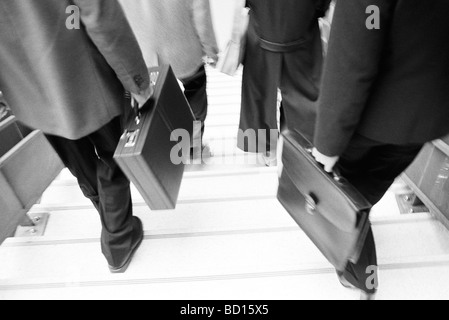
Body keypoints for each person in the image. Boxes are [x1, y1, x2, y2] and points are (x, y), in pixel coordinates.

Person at [0, 0, 153, 273]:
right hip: (84, 79)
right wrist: (137, 80)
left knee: (79, 163)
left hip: (28, 95)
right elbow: (100, 13)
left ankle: (110, 220)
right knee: (114, 157)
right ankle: (118, 241)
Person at [312, 0, 449, 299]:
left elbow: (353, 60)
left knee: (345, 193)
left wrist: (327, 144)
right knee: (368, 185)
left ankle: (362, 279)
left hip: (375, 122)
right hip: (429, 118)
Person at [119, 0, 220, 159]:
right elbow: (202, 16)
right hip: (184, 50)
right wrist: (211, 51)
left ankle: (162, 148)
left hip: (144, 54)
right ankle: (192, 145)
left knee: (154, 99)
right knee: (195, 90)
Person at [238, 0, 331, 166]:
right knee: (303, 95)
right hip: (302, 32)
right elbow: (321, 5)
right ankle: (298, 150)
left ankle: (262, 151)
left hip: (261, 31)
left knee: (258, 92)